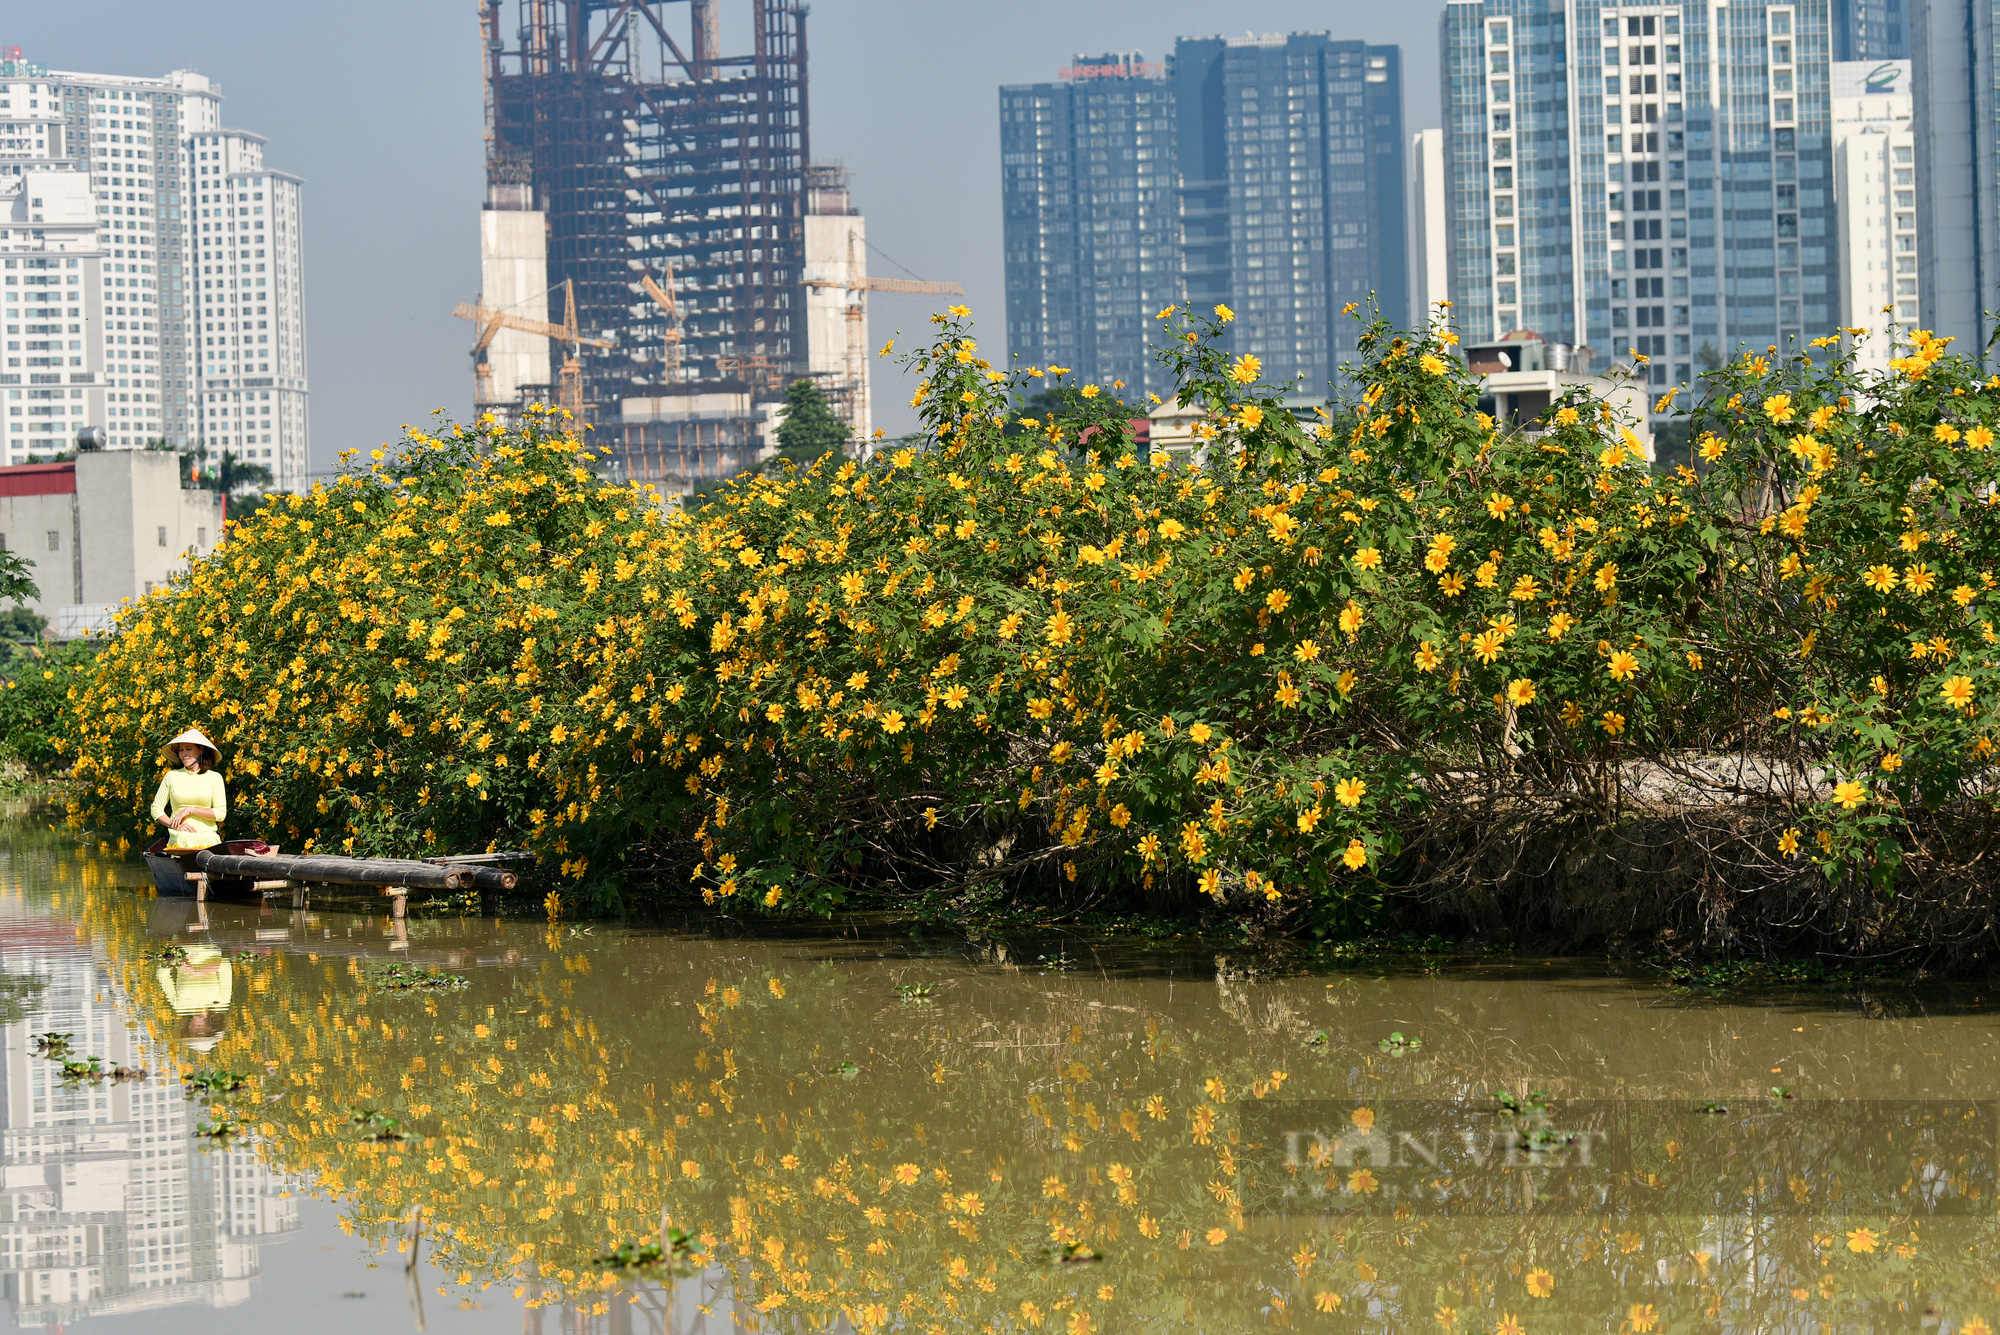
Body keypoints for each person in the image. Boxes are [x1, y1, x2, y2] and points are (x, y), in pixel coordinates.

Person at [151, 728, 227, 851]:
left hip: (208, 835)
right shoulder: (171, 776)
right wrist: (174, 825)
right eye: (181, 750)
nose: (184, 754)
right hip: (180, 836)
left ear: (201, 750)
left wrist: (190, 810)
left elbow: (220, 814)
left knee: (212, 839)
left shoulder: (215, 778)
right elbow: (156, 809)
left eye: (189, 749)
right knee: (184, 838)